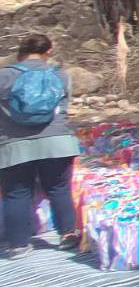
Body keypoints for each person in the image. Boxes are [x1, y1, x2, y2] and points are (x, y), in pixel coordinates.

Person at [0, 33, 80, 256]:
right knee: (58, 187)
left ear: (20, 52)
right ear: (49, 52)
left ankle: (18, 245)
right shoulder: (62, 76)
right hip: (58, 142)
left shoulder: (3, 76)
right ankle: (67, 234)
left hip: (14, 145)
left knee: (16, 192)